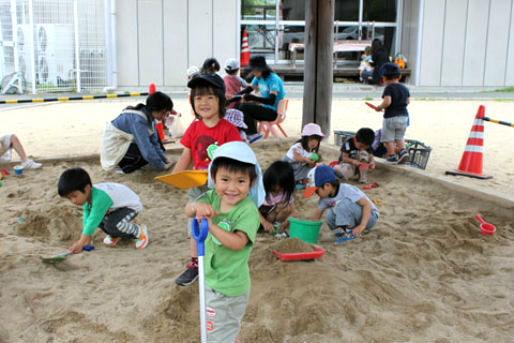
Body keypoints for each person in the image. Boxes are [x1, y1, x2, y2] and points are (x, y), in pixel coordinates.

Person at [184, 141, 263, 343]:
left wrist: (211, 226)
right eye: (225, 179)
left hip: (229, 288)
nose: (232, 188)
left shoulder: (248, 211)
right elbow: (187, 210)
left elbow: (237, 242)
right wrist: (197, 206)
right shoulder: (211, 197)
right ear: (213, 178)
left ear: (252, 182)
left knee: (218, 333)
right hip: (211, 279)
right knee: (223, 329)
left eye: (241, 181)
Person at [174, 72, 242, 287]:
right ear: (192, 102)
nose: (203, 102)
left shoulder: (228, 130)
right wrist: (176, 177)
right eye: (198, 98)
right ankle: (196, 263)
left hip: (222, 188)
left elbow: (238, 158)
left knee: (221, 223)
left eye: (210, 97)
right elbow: (186, 154)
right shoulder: (194, 127)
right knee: (195, 222)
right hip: (197, 186)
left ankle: (222, 261)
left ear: (221, 101)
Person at [57, 168, 148, 253]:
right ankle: (115, 234)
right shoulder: (86, 196)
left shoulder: (99, 198)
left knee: (113, 225)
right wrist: (86, 240)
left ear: (87, 188)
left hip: (130, 206)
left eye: (74, 196)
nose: (73, 201)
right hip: (114, 209)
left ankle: (139, 231)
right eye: (69, 198)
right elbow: (87, 218)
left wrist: (81, 243)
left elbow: (93, 221)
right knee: (103, 222)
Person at [100, 91, 175, 174]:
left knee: (156, 146)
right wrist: (162, 166)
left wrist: (165, 160)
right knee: (144, 153)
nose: (165, 116)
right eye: (164, 112)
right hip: (113, 151)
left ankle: (128, 163)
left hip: (125, 144)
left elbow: (155, 142)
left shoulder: (151, 117)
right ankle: (121, 168)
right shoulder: (139, 120)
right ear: (155, 110)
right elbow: (146, 149)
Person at [305, 165, 379, 244]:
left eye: (316, 191)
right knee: (330, 215)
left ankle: (349, 232)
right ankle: (347, 230)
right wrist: (309, 231)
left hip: (370, 216)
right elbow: (317, 214)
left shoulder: (346, 189)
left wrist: (362, 226)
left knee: (342, 204)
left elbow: (367, 204)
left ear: (327, 185)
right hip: (355, 217)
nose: (316, 194)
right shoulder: (325, 197)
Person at [234, 56, 285, 141]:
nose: (252, 72)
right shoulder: (258, 77)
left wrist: (254, 98)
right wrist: (233, 97)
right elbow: (249, 89)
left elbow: (271, 101)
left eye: (253, 70)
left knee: (244, 107)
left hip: (273, 112)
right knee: (239, 105)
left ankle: (252, 134)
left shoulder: (273, 79)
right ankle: (242, 132)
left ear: (261, 69)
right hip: (265, 108)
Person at [372, 62, 410, 164]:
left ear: (384, 78)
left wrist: (380, 107)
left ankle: (392, 156)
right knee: (399, 137)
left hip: (390, 117)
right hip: (404, 116)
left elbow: (387, 101)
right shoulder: (405, 88)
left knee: (387, 138)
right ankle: (403, 152)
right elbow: (408, 101)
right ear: (400, 76)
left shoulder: (389, 88)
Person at [259, 160, 296, 234]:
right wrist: (264, 222)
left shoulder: (285, 193)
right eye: (274, 184)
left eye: (281, 186)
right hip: (257, 218)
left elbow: (293, 211)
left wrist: (285, 223)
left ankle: (274, 226)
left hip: (271, 219)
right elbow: (253, 208)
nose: (277, 188)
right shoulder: (260, 189)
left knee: (286, 207)